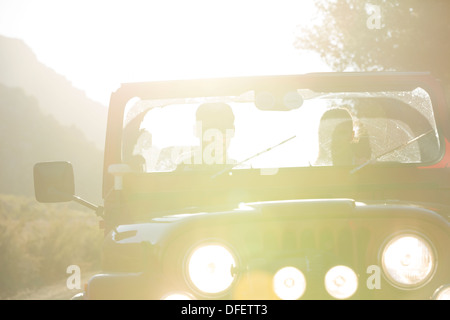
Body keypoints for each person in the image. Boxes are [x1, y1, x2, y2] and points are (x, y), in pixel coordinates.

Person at [176, 102, 236, 169]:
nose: (217, 137)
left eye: (223, 130)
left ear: (233, 131)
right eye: (209, 130)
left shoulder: (242, 170)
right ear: (197, 131)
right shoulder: (184, 168)